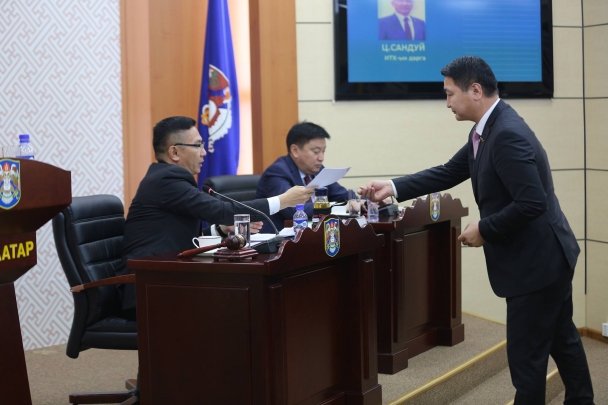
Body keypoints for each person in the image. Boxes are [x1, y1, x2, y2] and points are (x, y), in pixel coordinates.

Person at [359, 56, 594, 404]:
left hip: (538, 265)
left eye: (449, 94)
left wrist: (484, 228)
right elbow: (448, 171)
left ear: (475, 90)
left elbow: (532, 203)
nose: (447, 103)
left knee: (527, 362)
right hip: (548, 258)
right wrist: (392, 187)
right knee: (563, 341)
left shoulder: (506, 134)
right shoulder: (487, 129)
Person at [119, 116, 313, 319]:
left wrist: (220, 230)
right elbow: (222, 211)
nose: (204, 152)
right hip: (147, 286)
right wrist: (283, 200)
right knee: (241, 304)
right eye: (197, 146)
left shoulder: (168, 178)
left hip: (165, 277)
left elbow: (176, 233)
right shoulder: (166, 181)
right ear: (174, 152)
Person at [256, 122, 354, 233]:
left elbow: (342, 195)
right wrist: (330, 207)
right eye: (316, 152)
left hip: (313, 234)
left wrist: (354, 201)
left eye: (323, 151)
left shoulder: (317, 170)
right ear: (295, 151)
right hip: (279, 239)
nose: (321, 158)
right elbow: (292, 210)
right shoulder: (278, 172)